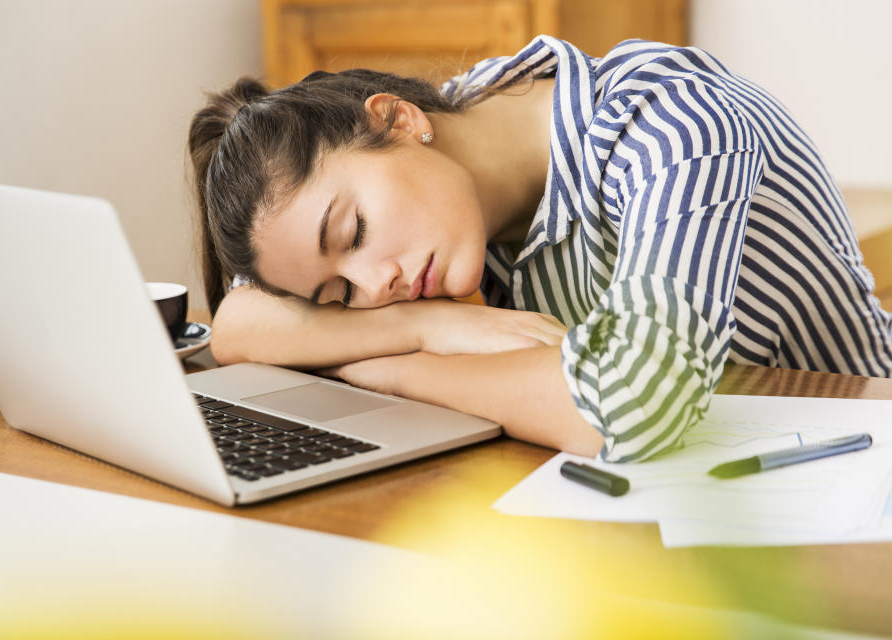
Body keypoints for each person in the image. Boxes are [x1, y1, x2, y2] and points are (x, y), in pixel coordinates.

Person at [187, 35, 892, 463]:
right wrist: (431, 325)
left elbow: (627, 408)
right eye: (339, 298)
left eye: (355, 234)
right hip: (684, 487)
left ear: (398, 119)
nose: (377, 285)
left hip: (850, 475)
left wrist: (383, 368)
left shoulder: (675, 127)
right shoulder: (456, 143)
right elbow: (240, 323)